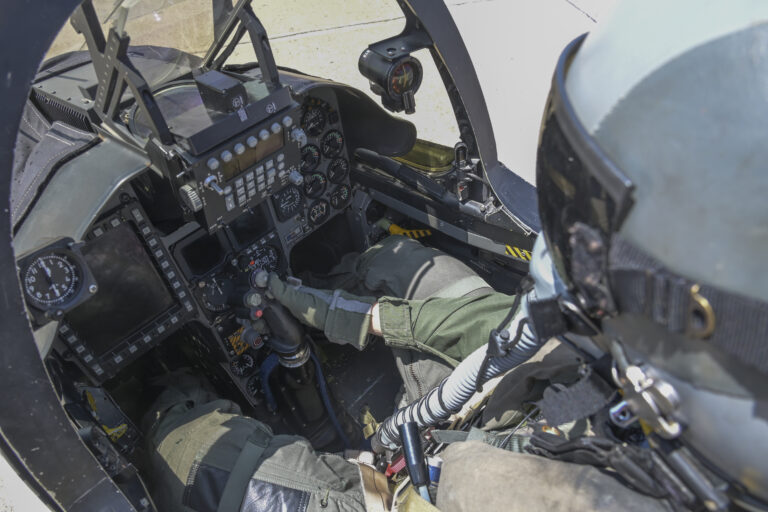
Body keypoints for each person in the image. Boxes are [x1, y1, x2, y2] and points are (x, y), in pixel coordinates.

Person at [144, 1, 768, 510]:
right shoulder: (695, 414)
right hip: (536, 414)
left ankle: (166, 403)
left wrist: (403, 490)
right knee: (396, 264)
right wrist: (358, 316)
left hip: (427, 483)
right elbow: (522, 342)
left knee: (196, 447)